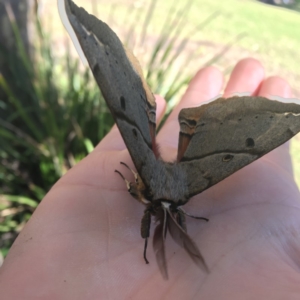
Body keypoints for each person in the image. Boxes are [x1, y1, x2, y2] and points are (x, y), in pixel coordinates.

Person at [0, 58, 300, 299]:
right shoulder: (168, 198)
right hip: (187, 174)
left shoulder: (164, 200)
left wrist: (136, 183)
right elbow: (145, 196)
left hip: (171, 172)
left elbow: (144, 195)